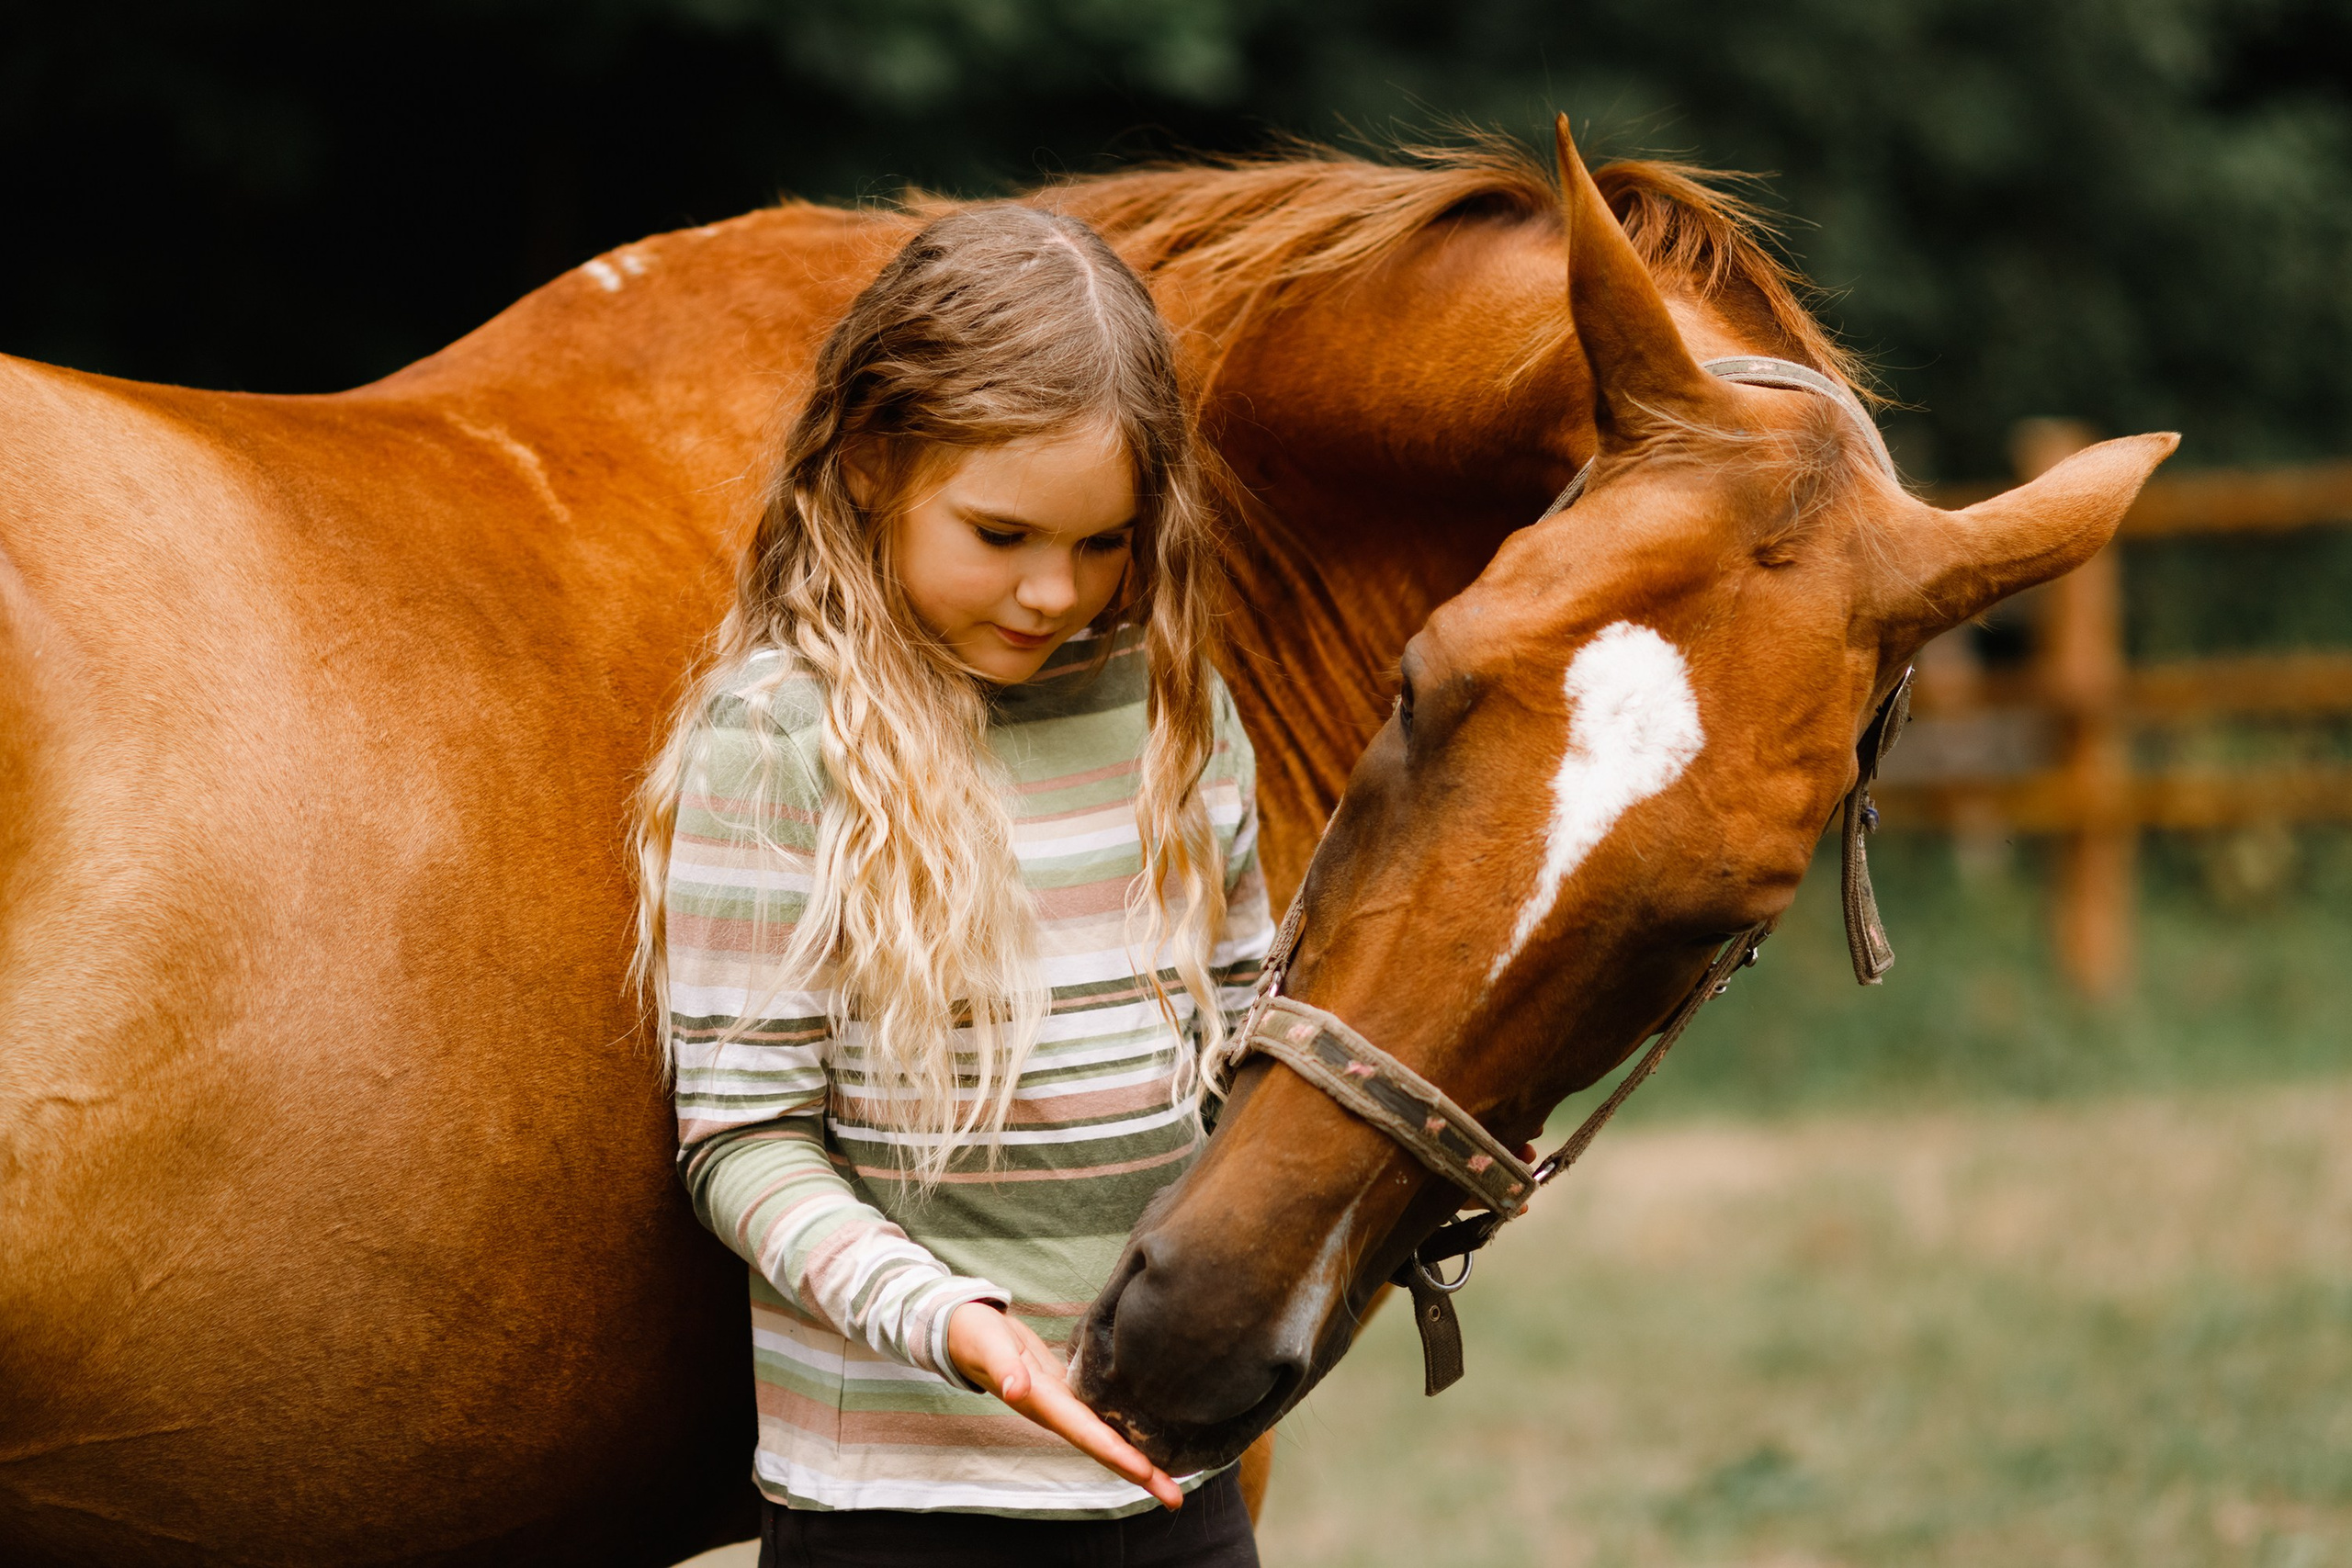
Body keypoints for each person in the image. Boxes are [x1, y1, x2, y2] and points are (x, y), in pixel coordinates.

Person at [632, 203, 1272, 1568]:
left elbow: (1243, 1042)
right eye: (1002, 535)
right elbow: (741, 1144)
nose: (1056, 591)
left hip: (1170, 1482)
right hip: (904, 1501)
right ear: (872, 461)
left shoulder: (1177, 710)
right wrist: (961, 1329)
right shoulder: (778, 739)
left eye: (1105, 545)